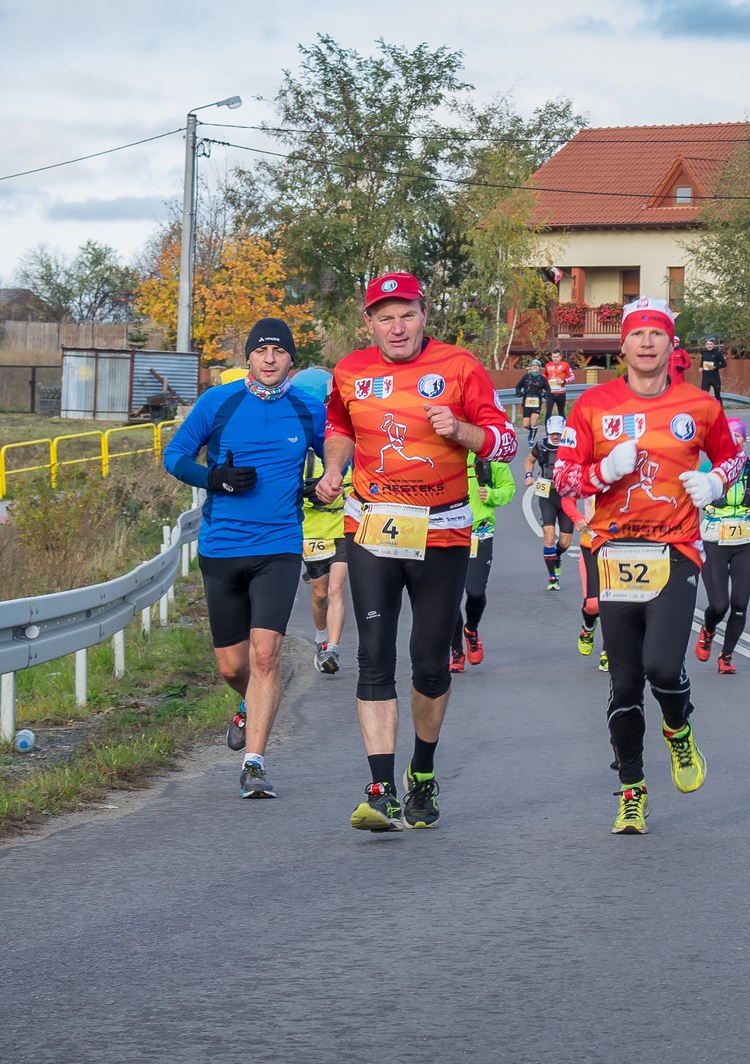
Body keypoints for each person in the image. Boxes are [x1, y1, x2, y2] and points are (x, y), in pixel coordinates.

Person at [314, 271, 517, 832]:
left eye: (407, 315)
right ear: (369, 323)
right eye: (386, 317)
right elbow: (339, 426)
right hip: (372, 526)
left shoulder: (460, 366)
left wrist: (461, 431)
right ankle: (381, 789)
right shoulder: (350, 370)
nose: (397, 327)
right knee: (373, 654)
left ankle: (422, 772)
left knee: (429, 662)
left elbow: (505, 442)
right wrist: (333, 469)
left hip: (442, 530)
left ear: (424, 315)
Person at [553, 297, 744, 835]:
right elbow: (562, 477)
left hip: (676, 550)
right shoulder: (593, 404)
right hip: (615, 552)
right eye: (637, 333)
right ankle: (632, 791)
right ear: (623, 344)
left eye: (656, 333)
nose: (646, 342)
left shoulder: (699, 406)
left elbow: (735, 457)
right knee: (625, 682)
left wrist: (716, 481)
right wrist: (602, 473)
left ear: (670, 344)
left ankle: (679, 730)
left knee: (662, 667)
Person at [163, 318, 325, 801]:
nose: (270, 359)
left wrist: (325, 482)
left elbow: (342, 458)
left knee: (266, 655)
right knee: (232, 666)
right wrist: (214, 478)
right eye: (261, 351)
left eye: (279, 351)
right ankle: (246, 702)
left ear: (291, 358)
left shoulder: (308, 408)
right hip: (222, 547)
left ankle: (254, 763)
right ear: (249, 357)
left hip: (279, 545)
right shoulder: (219, 401)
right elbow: (175, 456)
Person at [695, 417, 750, 675]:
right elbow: (687, 499)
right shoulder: (707, 469)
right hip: (713, 543)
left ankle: (726, 656)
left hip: (745, 543)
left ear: (745, 441)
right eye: (728, 436)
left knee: (740, 604)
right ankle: (709, 629)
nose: (734, 441)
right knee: (719, 605)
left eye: (738, 436)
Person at [292, 367, 349, 675]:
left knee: (337, 588)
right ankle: (321, 637)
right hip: (312, 530)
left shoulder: (345, 442)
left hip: (342, 526)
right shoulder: (298, 448)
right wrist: (307, 493)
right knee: (320, 594)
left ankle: (332, 650)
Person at [450, 451, 516, 671]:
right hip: (448, 531)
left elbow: (508, 488)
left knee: (475, 591)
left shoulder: (488, 456)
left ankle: (471, 630)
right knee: (449, 596)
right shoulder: (445, 452)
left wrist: (492, 495)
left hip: (480, 532)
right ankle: (456, 649)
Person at [524, 414, 574, 591]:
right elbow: (529, 461)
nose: (556, 436)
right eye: (553, 433)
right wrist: (528, 475)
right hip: (546, 494)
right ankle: (552, 577)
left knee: (565, 542)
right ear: (548, 432)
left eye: (558, 433)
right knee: (549, 535)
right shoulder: (541, 446)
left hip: (566, 495)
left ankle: (557, 556)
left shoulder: (572, 446)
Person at [561, 494, 609, 672]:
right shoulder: (590, 478)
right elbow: (567, 499)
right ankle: (588, 627)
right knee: (593, 604)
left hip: (621, 545)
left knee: (615, 602)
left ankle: (608, 651)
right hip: (591, 544)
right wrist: (577, 517)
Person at [514, 357, 551, 444]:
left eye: (537, 366)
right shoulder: (526, 377)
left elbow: (548, 389)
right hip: (527, 401)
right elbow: (518, 386)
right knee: (525, 424)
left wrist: (545, 395)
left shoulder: (542, 378)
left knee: (534, 421)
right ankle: (532, 430)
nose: (535, 367)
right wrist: (518, 393)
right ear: (531, 367)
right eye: (533, 365)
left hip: (537, 401)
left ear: (539, 368)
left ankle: (532, 440)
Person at [542, 349, 575, 419]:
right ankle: (547, 426)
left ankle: (563, 425)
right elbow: (545, 375)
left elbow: (572, 377)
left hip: (561, 393)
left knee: (561, 412)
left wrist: (564, 381)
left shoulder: (565, 365)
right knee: (548, 412)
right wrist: (544, 382)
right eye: (553, 357)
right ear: (551, 357)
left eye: (557, 357)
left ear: (560, 357)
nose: (555, 359)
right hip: (550, 393)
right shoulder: (548, 365)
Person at [699, 337, 727, 404]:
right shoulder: (704, 353)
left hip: (715, 377)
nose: (709, 346)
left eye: (711, 344)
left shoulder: (717, 353)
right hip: (706, 377)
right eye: (708, 344)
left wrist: (715, 367)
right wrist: (700, 367)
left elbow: (724, 364)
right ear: (706, 345)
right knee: (704, 395)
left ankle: (720, 408)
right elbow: (702, 361)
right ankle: (705, 408)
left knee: (717, 395)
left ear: (713, 345)